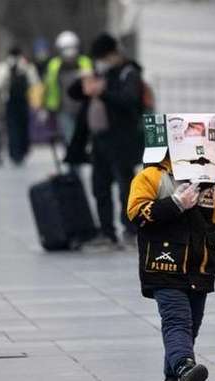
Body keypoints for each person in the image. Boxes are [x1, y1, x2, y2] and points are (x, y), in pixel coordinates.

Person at [127, 151, 215, 381]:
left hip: (199, 268)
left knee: (191, 326)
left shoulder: (212, 181)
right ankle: (185, 367)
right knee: (177, 321)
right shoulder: (151, 176)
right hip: (163, 266)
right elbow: (136, 213)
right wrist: (174, 204)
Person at [70, 33, 143, 248]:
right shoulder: (101, 73)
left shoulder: (130, 73)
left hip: (123, 140)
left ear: (113, 55)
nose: (100, 62)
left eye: (103, 57)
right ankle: (106, 231)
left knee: (125, 186)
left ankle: (130, 230)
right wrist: (85, 80)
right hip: (99, 140)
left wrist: (103, 92)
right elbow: (74, 93)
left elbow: (129, 100)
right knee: (99, 186)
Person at [0, 46, 40, 166]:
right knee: (20, 128)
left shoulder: (5, 66)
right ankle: (19, 153)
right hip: (18, 102)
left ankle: (16, 153)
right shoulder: (25, 67)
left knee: (14, 129)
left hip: (15, 102)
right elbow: (36, 83)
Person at [43, 31, 92, 146]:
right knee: (69, 135)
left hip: (83, 107)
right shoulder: (54, 65)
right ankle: (73, 160)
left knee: (82, 136)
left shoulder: (85, 62)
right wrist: (47, 107)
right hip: (63, 107)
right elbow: (49, 86)